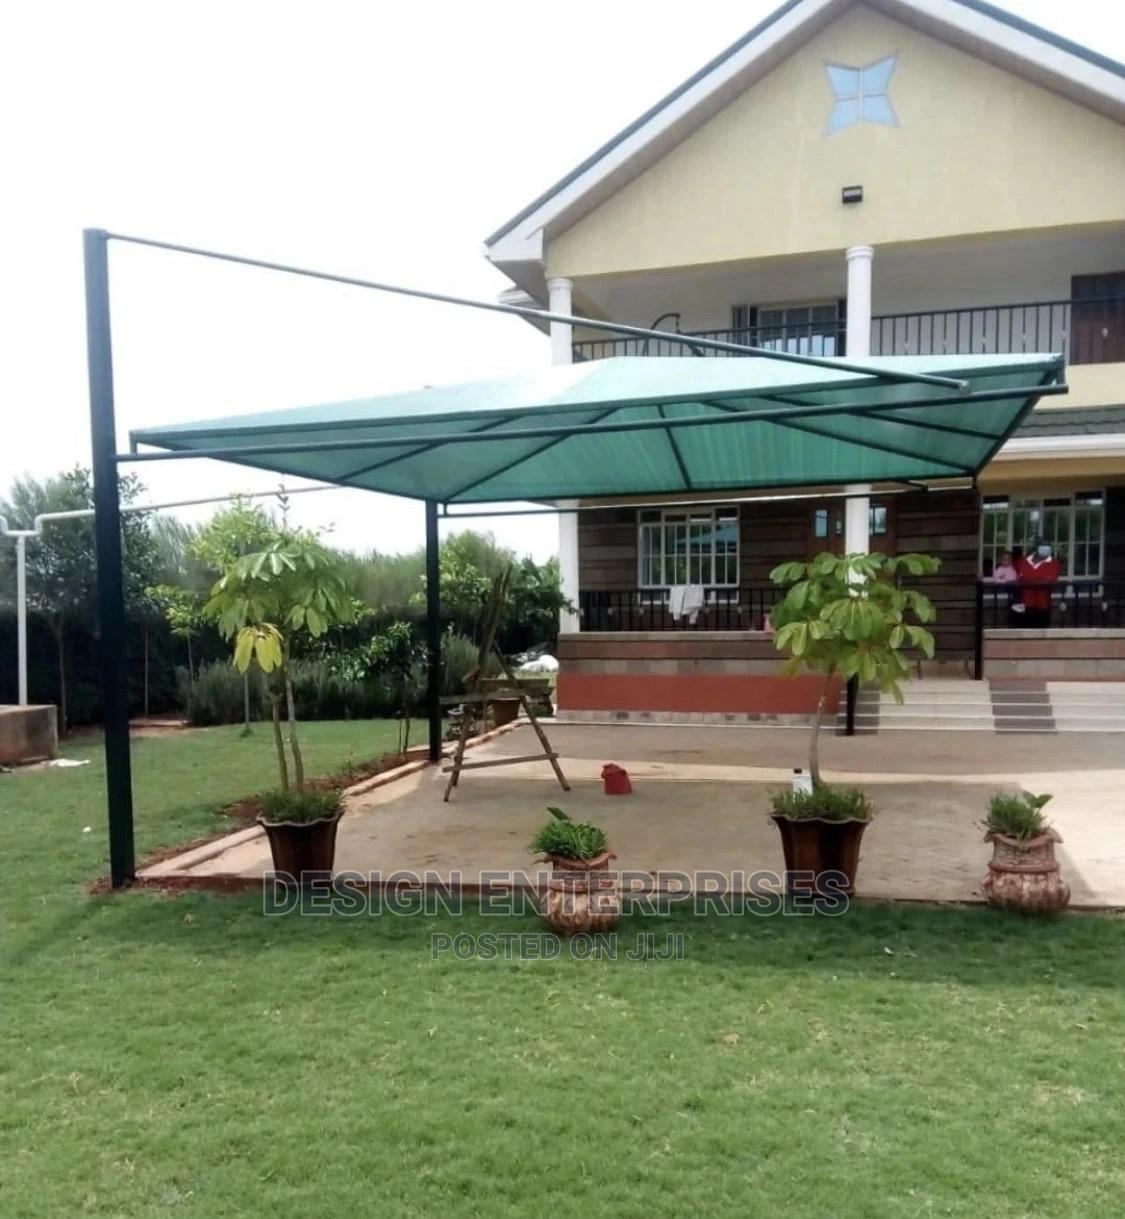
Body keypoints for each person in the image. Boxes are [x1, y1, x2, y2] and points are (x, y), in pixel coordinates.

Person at [1016, 539, 1061, 629]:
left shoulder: (1054, 563)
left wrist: (1032, 580)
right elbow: (1021, 577)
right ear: (1036, 548)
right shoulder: (1023, 561)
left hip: (1043, 603)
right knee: (1025, 628)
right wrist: (1037, 579)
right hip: (1026, 602)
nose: (1046, 549)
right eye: (1043, 546)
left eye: (1048, 547)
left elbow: (1050, 579)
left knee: (1041, 629)